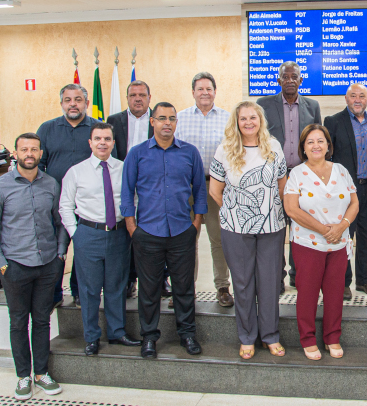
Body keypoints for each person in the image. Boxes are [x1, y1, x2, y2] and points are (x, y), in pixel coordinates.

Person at [0, 133, 67, 400]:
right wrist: (3, 265)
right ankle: (22, 377)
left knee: (41, 321)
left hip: (46, 265)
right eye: (24, 149)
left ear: (41, 154)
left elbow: (61, 222)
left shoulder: (51, 184)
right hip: (15, 267)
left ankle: (41, 373)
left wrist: (60, 254)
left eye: (34, 149)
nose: (30, 154)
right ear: (15, 153)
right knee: (18, 323)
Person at [121, 102, 207, 358]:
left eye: (171, 118)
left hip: (182, 230)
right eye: (161, 118)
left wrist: (197, 223)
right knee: (149, 290)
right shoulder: (136, 154)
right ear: (152, 122)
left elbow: (199, 190)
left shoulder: (190, 153)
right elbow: (127, 193)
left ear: (176, 122)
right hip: (147, 232)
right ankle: (149, 337)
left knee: (184, 287)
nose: (167, 123)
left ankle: (187, 334)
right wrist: (132, 228)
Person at [209, 101, 288, 360]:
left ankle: (270, 335)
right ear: (236, 122)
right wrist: (238, 212)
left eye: (253, 117)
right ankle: (246, 337)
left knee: (269, 283)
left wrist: (266, 211)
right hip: (236, 228)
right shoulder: (225, 149)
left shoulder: (273, 147)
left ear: (260, 120)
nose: (248, 122)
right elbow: (215, 190)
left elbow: (281, 185)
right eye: (243, 119)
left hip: (271, 226)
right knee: (242, 284)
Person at [59, 123, 141, 356]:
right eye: (98, 139)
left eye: (107, 138)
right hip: (88, 234)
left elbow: (134, 198)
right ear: (90, 143)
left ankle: (117, 332)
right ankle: (92, 337)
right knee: (90, 289)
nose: (103, 143)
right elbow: (65, 205)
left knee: (117, 286)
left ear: (114, 143)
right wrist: (75, 233)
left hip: (118, 234)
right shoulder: (76, 171)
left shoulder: (124, 168)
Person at [283, 124, 359, 360]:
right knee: (307, 292)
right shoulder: (296, 174)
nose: (316, 145)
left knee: (335, 293)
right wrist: (324, 230)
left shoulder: (341, 170)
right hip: (308, 244)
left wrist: (342, 226)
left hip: (339, 243)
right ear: (303, 148)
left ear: (328, 145)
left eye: (320, 141)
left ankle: (332, 337)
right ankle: (307, 338)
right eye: (310, 142)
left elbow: (354, 202)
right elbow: (291, 209)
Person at [257, 61, 322, 291]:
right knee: (276, 229)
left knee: (300, 226)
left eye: (294, 77)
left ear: (301, 80)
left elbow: (317, 142)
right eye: (285, 77)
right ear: (278, 80)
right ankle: (278, 276)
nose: (290, 81)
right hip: (274, 179)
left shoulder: (312, 106)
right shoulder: (263, 104)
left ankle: (298, 273)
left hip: (302, 177)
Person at [324, 83, 367, 299]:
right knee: (344, 236)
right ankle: (343, 282)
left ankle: (365, 280)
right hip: (343, 192)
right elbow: (327, 156)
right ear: (346, 98)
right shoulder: (333, 122)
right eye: (353, 96)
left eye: (362, 95)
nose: (358, 99)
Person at [175, 72, 233, 308]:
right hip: (187, 188)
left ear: (215, 92)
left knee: (218, 239)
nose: (205, 93)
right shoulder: (180, 118)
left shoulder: (228, 119)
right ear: (193, 93)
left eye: (209, 88)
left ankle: (222, 287)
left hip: (216, 186)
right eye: (200, 89)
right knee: (187, 240)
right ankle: (186, 289)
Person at [37, 83, 98, 308]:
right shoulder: (47, 129)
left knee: (83, 250)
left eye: (78, 99)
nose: (73, 104)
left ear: (86, 103)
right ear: (62, 103)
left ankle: (80, 292)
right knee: (55, 251)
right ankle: (54, 294)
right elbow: (39, 165)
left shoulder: (97, 129)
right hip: (54, 203)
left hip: (87, 204)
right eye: (68, 100)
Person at [107, 79, 154, 298]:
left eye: (142, 95)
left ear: (149, 98)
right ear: (127, 98)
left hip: (150, 187)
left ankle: (160, 279)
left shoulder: (157, 120)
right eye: (133, 95)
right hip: (121, 186)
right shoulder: (114, 121)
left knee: (152, 233)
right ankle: (128, 280)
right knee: (126, 233)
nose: (137, 99)